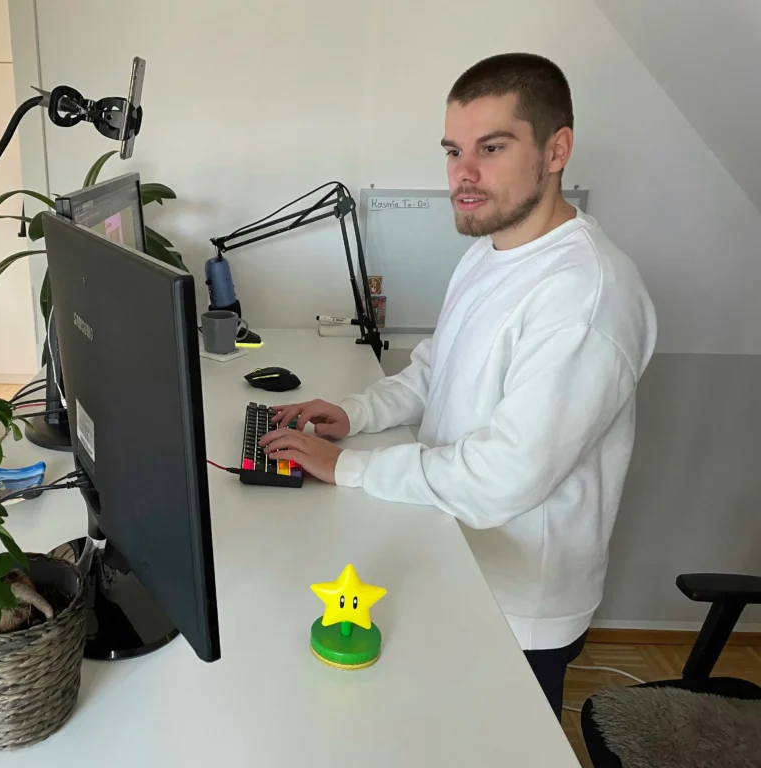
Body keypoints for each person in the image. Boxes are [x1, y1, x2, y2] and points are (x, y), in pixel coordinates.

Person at [260, 52, 657, 719]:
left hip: (520, 599)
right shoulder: (489, 251)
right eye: (452, 151)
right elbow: (434, 370)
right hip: (455, 547)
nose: (462, 176)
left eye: (492, 148)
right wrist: (351, 415)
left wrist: (351, 469)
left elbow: (505, 478)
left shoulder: (586, 296)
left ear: (556, 149)